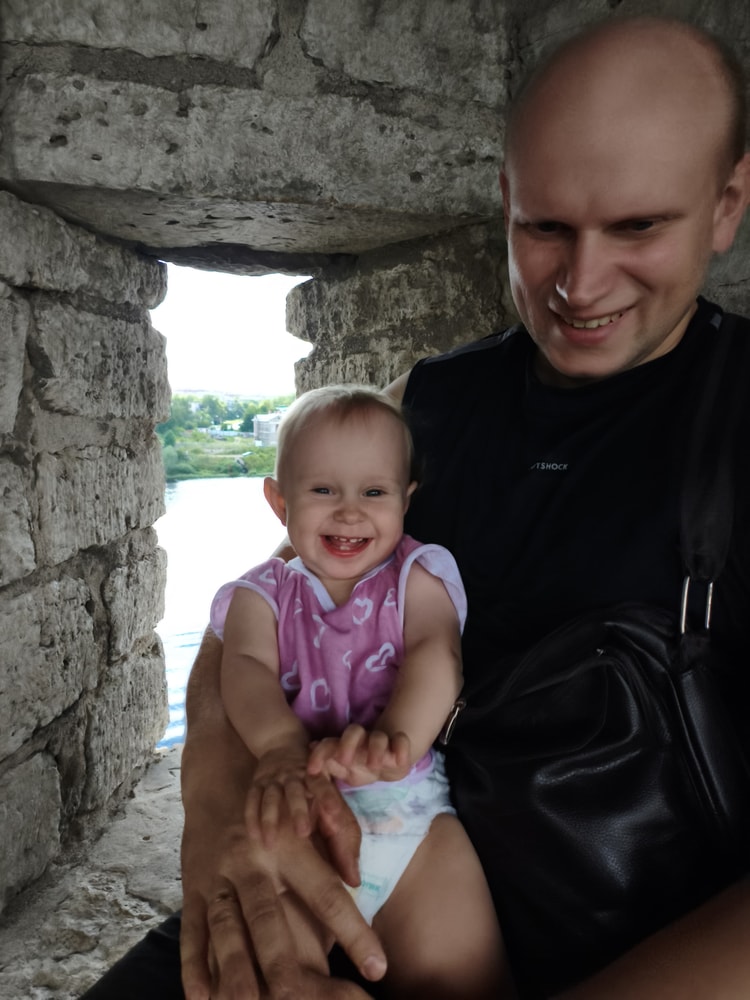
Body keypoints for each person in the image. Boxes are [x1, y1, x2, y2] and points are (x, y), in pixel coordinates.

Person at [81, 14, 750, 1000]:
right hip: (345, 873)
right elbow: (257, 613)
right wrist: (220, 814)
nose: (581, 283)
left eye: (638, 227)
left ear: (727, 205)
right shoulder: (433, 401)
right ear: (505, 199)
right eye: (545, 227)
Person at [208, 385, 507, 998]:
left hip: (410, 818)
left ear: (406, 499)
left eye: (374, 493)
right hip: (297, 824)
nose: (350, 513)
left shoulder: (417, 575)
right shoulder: (260, 596)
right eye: (324, 490)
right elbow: (245, 670)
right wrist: (280, 747)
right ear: (279, 501)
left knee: (468, 982)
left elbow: (436, 654)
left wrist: (398, 738)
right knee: (266, 976)